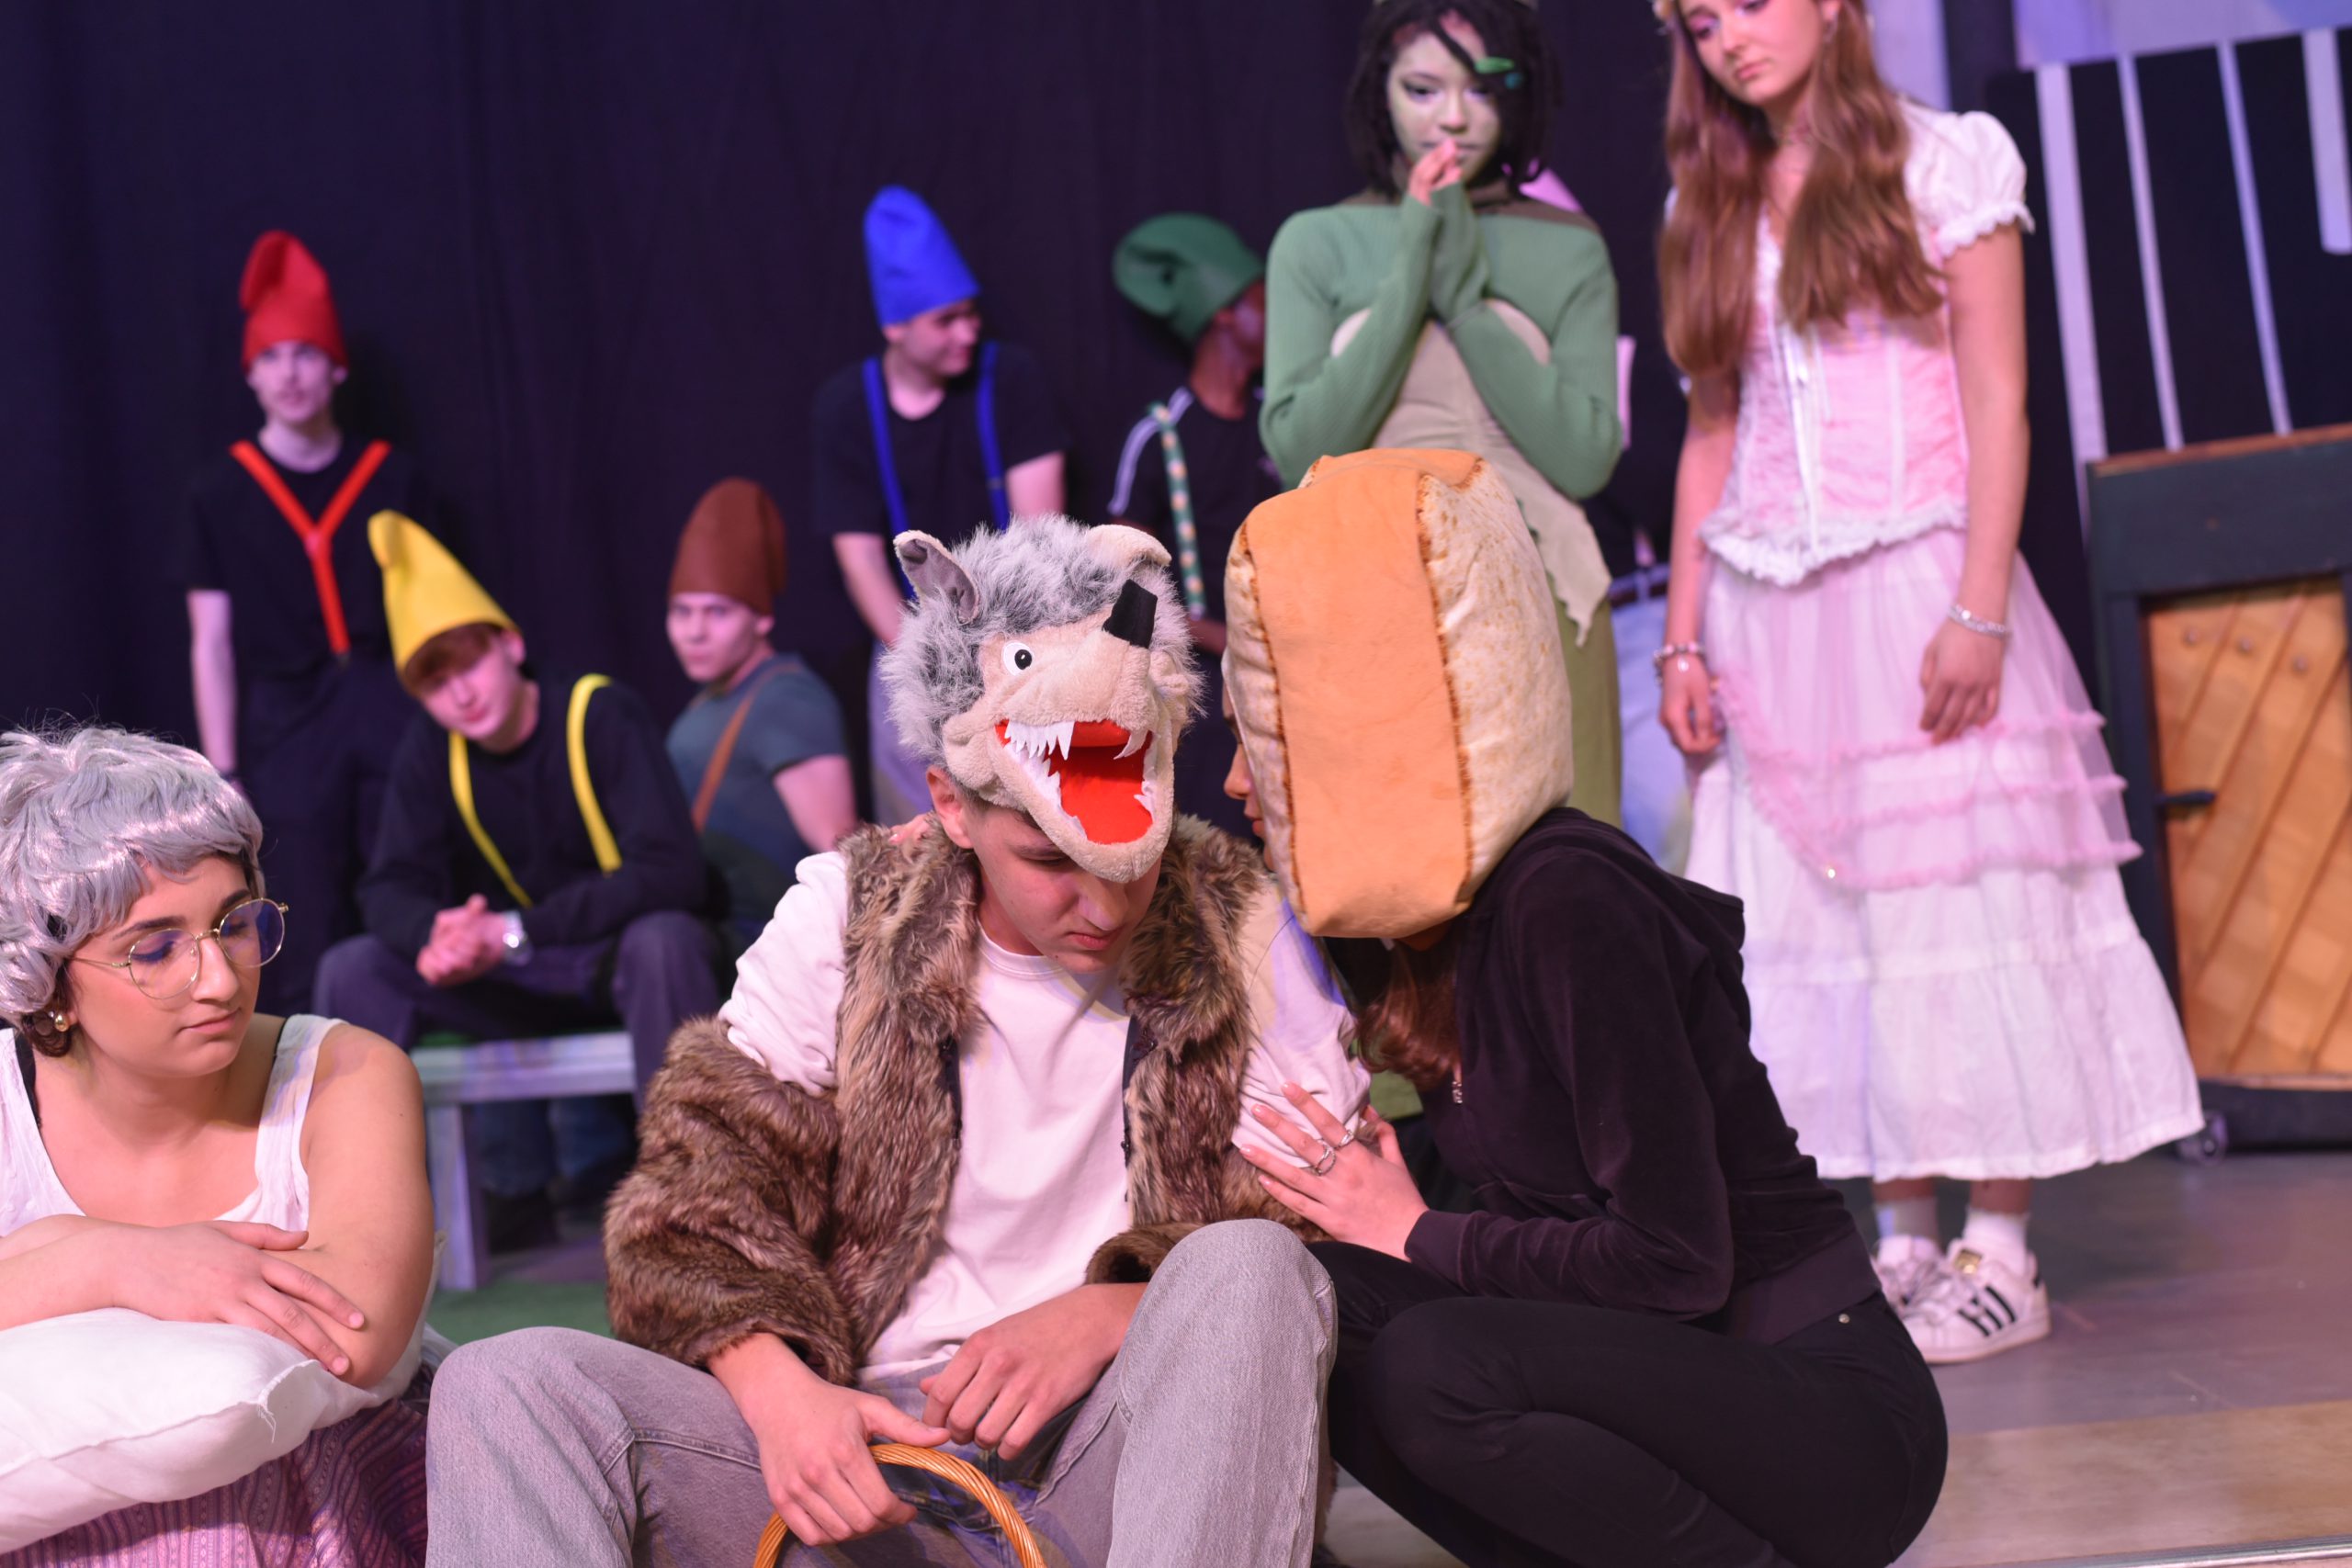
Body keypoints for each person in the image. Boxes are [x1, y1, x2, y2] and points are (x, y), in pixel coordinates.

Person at [424, 516, 1367, 1567]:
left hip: (1123, 1454)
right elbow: (693, 1202)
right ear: (951, 807)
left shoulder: (1239, 922)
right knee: (506, 1385)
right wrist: (782, 1397)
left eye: (1127, 855)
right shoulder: (850, 913)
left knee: (1247, 1267)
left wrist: (1117, 1312)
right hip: (868, 1463)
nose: (1102, 904)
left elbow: (1322, 1233)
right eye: (1048, 859)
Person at [1223, 447, 1946, 1568]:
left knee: (1433, 1368)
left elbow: (1675, 1264)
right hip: (1653, 1380)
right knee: (1302, 1304)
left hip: (1827, 1409)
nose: (1234, 781)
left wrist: (1414, 1230)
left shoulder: (1567, 898)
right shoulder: (1406, 930)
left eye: (1265, 742)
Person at [1652, 0, 2204, 1362]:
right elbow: (1712, 430)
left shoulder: (1948, 161)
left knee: (1962, 908)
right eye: (1701, 20)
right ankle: (1898, 1237)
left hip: (1918, 586)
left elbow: (1997, 397)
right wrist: (1683, 634)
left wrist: (1978, 604)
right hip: (1767, 607)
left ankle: (2000, 1249)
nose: (1730, 38)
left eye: (1751, 3)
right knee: (1836, 928)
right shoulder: (1709, 196)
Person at [0, 726, 435, 1563]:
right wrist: (104, 1258)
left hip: (321, 1515)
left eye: (235, 923)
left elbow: (357, 1328)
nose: (222, 979)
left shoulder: (344, 1071)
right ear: (50, 982)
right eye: (155, 949)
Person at [1261, 0, 1626, 828]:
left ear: (1518, 93)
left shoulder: (1569, 246)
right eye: (1422, 89)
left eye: (1481, 89)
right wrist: (1413, 270)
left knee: (1573, 870)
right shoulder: (1316, 242)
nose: (1453, 118)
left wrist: (1465, 303)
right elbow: (1299, 448)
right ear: (1378, 92)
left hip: (1546, 592)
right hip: (1370, 599)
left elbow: (1584, 458)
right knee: (1392, 869)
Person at [313, 513, 717, 1250]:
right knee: (356, 965)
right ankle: (356, 1225)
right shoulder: (432, 749)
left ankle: (695, 1208)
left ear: (510, 645)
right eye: (435, 683)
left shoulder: (598, 712)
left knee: (665, 940)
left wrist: (512, 931)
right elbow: (387, 885)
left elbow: (671, 870)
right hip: (514, 976)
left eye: (467, 664)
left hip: (610, 962)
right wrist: (435, 935)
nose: (460, 695)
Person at [185, 231, 434, 1014]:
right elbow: (210, 642)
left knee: (406, 878)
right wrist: (222, 768)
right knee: (301, 905)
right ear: (250, 374)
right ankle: (309, 1076)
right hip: (285, 722)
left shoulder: (393, 476)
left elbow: (433, 611)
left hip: (387, 703)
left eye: (306, 354)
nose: (290, 374)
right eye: (271, 357)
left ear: (336, 368)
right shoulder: (219, 493)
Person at [817, 186, 1070, 822]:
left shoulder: (1011, 379)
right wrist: (930, 662)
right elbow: (861, 563)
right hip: (910, 641)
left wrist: (1005, 655)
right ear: (895, 327)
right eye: (946, 320)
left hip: (1022, 630)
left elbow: (1040, 534)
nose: (969, 331)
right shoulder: (847, 408)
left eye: (971, 313)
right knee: (926, 825)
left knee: (1039, 809)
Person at [1107, 213, 1278, 838]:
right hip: (1198, 703)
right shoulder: (1159, 437)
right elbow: (1120, 579)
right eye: (1264, 299)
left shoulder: (1277, 425)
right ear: (1225, 313)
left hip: (1280, 685)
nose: (1281, 313)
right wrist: (1220, 635)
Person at [664, 478, 855, 955]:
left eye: (717, 612)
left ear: (762, 618)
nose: (694, 632)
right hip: (716, 933)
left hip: (767, 948)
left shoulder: (788, 699)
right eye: (681, 612)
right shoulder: (711, 697)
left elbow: (842, 853)